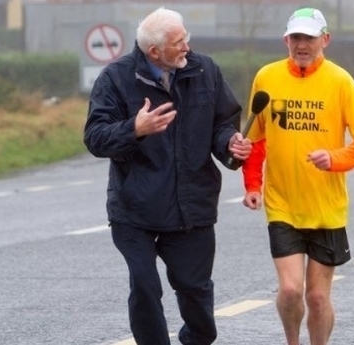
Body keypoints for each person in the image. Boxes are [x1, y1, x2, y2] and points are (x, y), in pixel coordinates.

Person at [83, 7, 252, 345]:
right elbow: (96, 137)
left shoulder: (205, 70)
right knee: (145, 287)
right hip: (135, 209)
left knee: (195, 293)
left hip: (192, 205)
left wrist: (230, 143)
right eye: (178, 43)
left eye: (186, 38)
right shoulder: (115, 78)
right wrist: (135, 129)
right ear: (154, 52)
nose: (187, 47)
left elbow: (223, 121)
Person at [241, 7, 354, 345]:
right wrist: (253, 185)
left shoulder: (340, 81)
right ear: (286, 40)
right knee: (290, 290)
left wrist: (333, 158)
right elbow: (255, 139)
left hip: (326, 208)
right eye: (296, 38)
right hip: (282, 205)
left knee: (317, 298)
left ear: (325, 40)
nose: (302, 45)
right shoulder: (267, 78)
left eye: (309, 38)